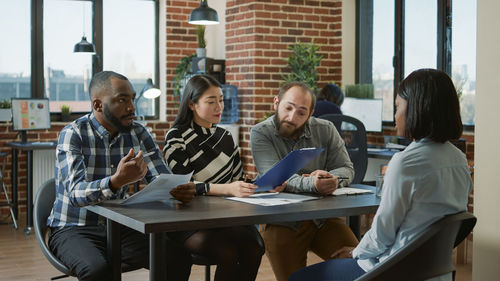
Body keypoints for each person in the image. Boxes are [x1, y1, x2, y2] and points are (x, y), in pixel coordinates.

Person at [289, 69, 472, 281]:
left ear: (417, 109)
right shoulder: (459, 159)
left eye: (397, 107)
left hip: (393, 272)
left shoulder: (405, 163)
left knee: (299, 278)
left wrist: (355, 252)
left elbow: (382, 235)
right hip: (436, 272)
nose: (395, 116)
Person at [47, 71, 195, 281]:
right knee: (98, 270)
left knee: (176, 257)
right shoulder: (74, 133)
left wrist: (176, 190)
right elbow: (75, 194)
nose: (131, 107)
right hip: (73, 227)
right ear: (98, 105)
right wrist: (116, 181)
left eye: (132, 99)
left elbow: (162, 179)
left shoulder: (138, 133)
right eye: (122, 100)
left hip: (118, 226)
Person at [250, 81, 359, 281]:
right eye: (288, 108)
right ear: (276, 103)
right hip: (282, 222)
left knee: (361, 269)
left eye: (301, 112)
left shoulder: (325, 129)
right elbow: (275, 175)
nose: (292, 117)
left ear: (311, 113)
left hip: (323, 219)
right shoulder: (260, 132)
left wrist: (332, 179)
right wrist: (312, 183)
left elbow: (346, 167)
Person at [163, 74, 265, 281]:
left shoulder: (225, 137)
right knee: (227, 253)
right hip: (189, 219)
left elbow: (239, 179)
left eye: (220, 100)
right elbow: (182, 185)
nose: (219, 107)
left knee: (255, 248)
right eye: (211, 102)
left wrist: (265, 184)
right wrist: (227, 189)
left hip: (225, 216)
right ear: (192, 104)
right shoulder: (176, 136)